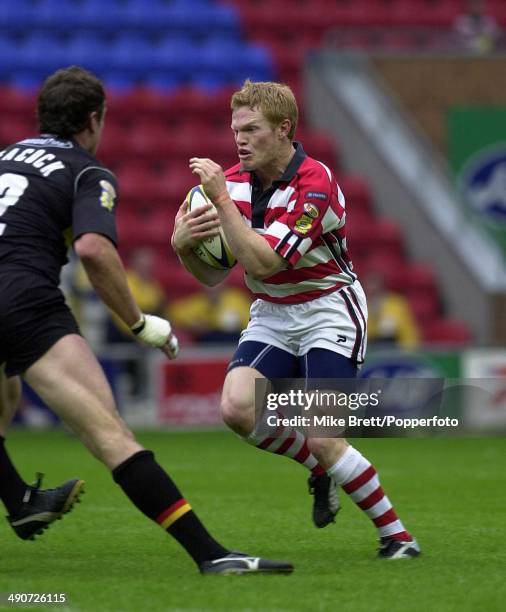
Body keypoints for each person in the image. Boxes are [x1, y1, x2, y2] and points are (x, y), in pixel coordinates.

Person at [0, 66, 292, 575]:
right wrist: (137, 322)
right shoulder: (86, 171)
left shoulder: (3, 159)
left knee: (3, 396)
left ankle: (20, 501)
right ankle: (212, 555)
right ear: (94, 120)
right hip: (21, 300)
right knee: (110, 433)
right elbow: (92, 248)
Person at [172, 80, 420, 559]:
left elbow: (266, 263)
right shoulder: (234, 184)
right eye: (235, 130)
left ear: (284, 129)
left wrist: (221, 203)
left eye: (251, 129)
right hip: (272, 312)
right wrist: (183, 249)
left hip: (330, 310)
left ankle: (398, 537)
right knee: (237, 410)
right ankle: (320, 467)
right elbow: (210, 276)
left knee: (325, 434)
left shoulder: (316, 183)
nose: (239, 140)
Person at [364, 269, 420, 351]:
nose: (372, 290)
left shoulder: (397, 304)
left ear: (382, 287)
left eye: (375, 286)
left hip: (396, 352)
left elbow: (409, 334)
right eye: (369, 286)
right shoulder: (360, 306)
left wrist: (407, 352)